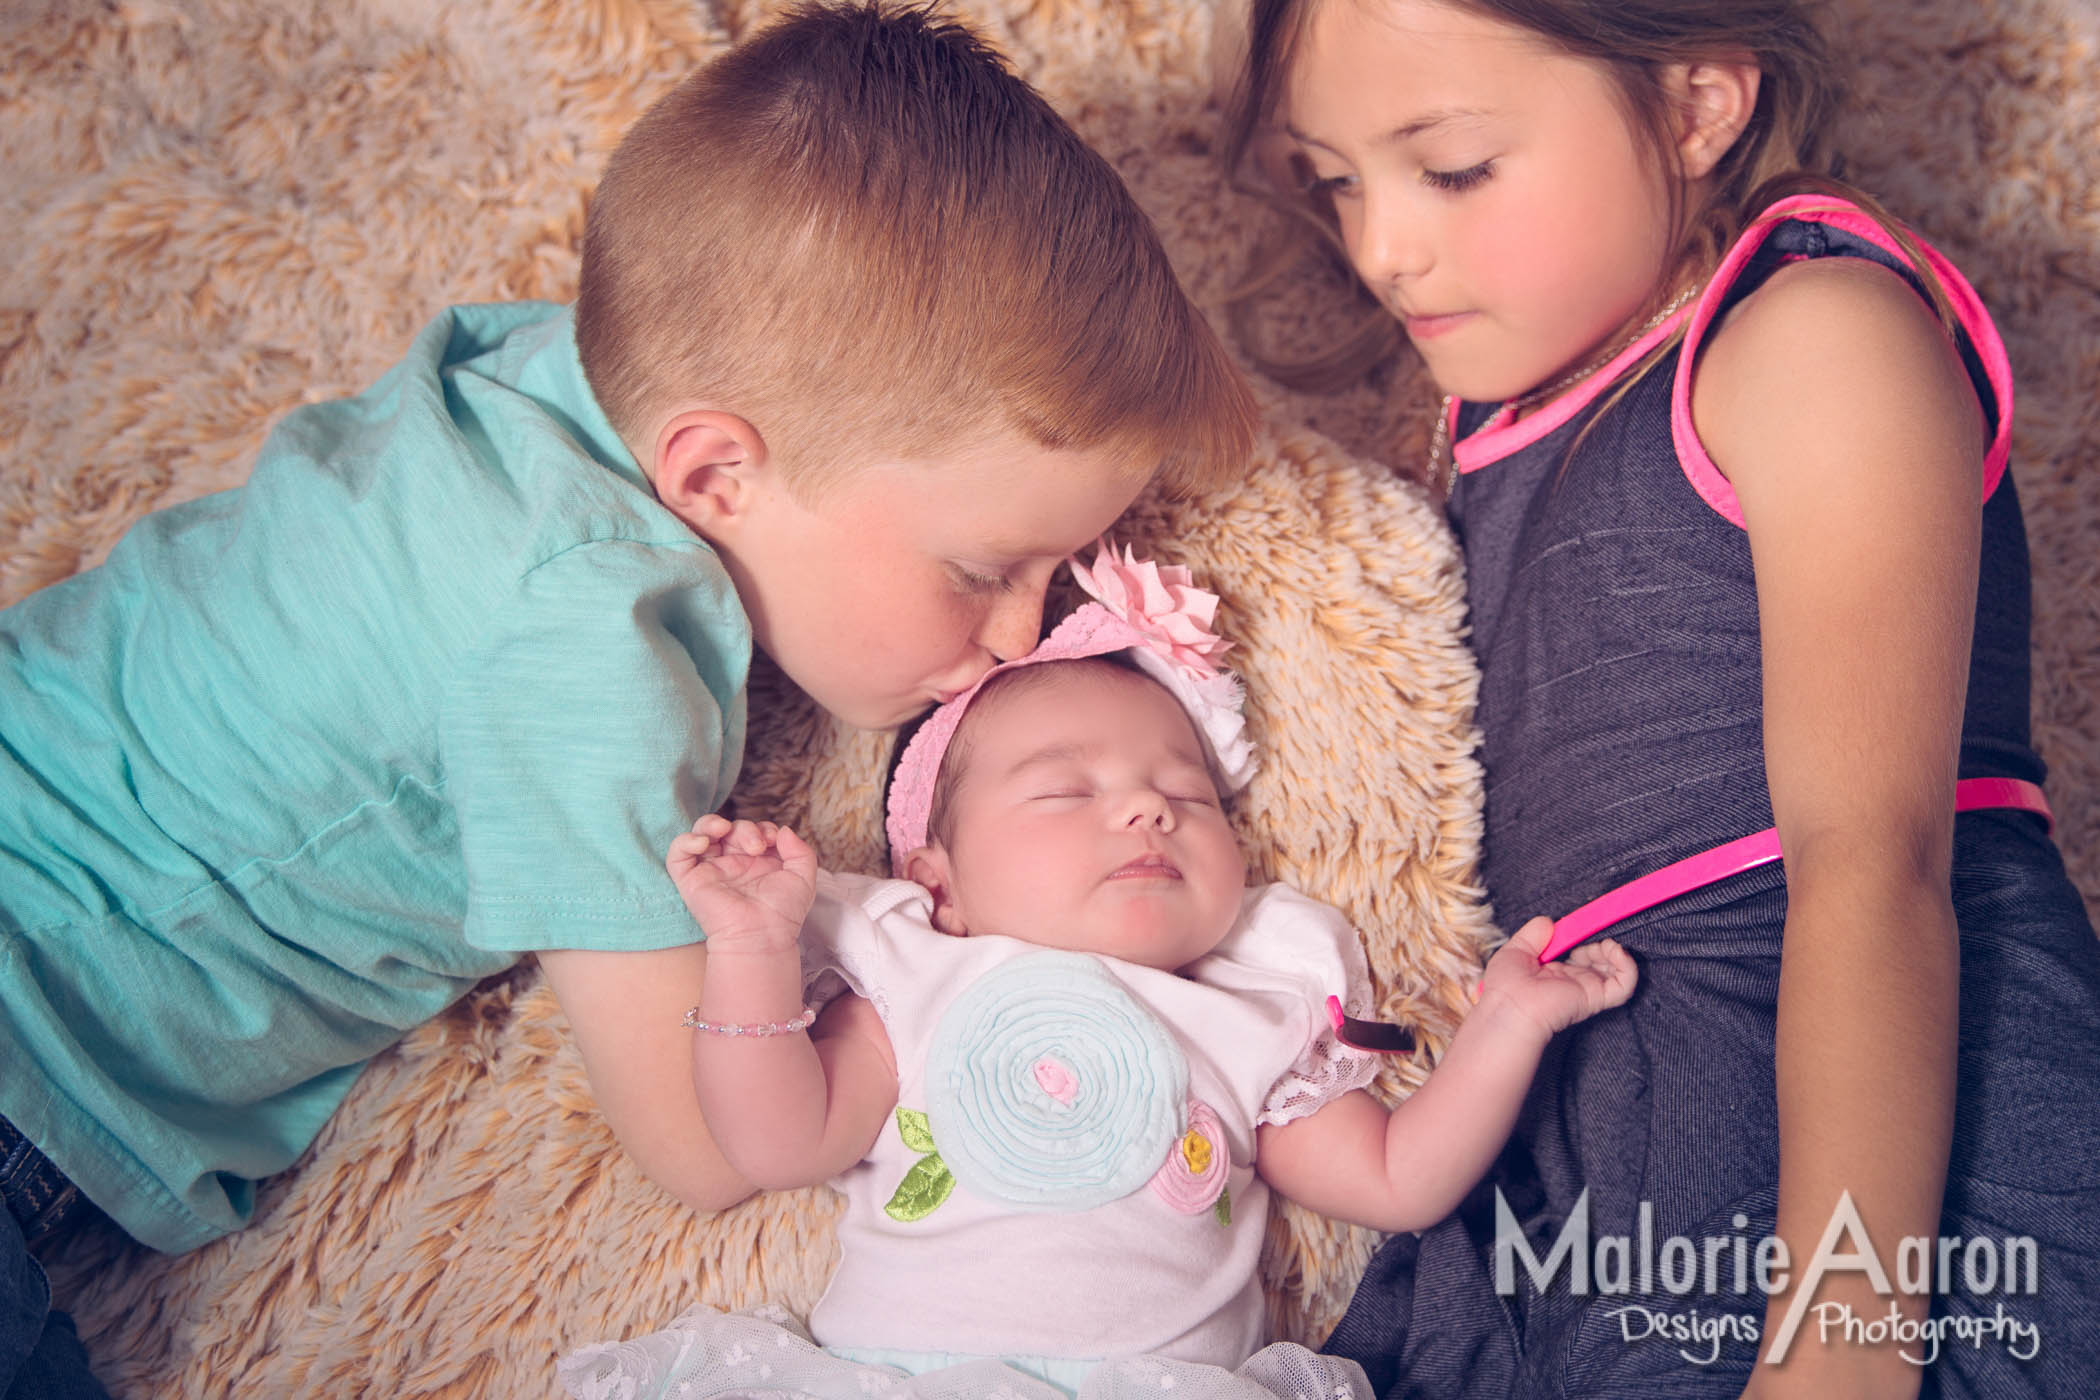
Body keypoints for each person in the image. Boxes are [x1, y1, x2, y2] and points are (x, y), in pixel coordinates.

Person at [0, 6, 1261, 1396]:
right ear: (716, 476)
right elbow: (706, 1143)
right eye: (983, 571)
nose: (1026, 634)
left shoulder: (557, 375)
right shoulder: (588, 656)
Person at [1224, 2, 2100, 1397]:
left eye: (1449, 167)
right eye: (1334, 177)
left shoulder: (1814, 334)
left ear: (1698, 104)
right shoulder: (1473, 427)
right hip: (1573, 1137)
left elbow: (1876, 863)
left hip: (1847, 1115)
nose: (1382, 244)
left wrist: (1843, 1356)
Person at [557, 545, 1637, 1400]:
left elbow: (1402, 1180)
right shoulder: (921, 977)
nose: (1144, 805)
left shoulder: (1247, 1017)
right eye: (1065, 792)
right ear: (941, 883)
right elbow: (776, 1137)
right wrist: (750, 951)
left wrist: (1504, 1024)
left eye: (1188, 792)